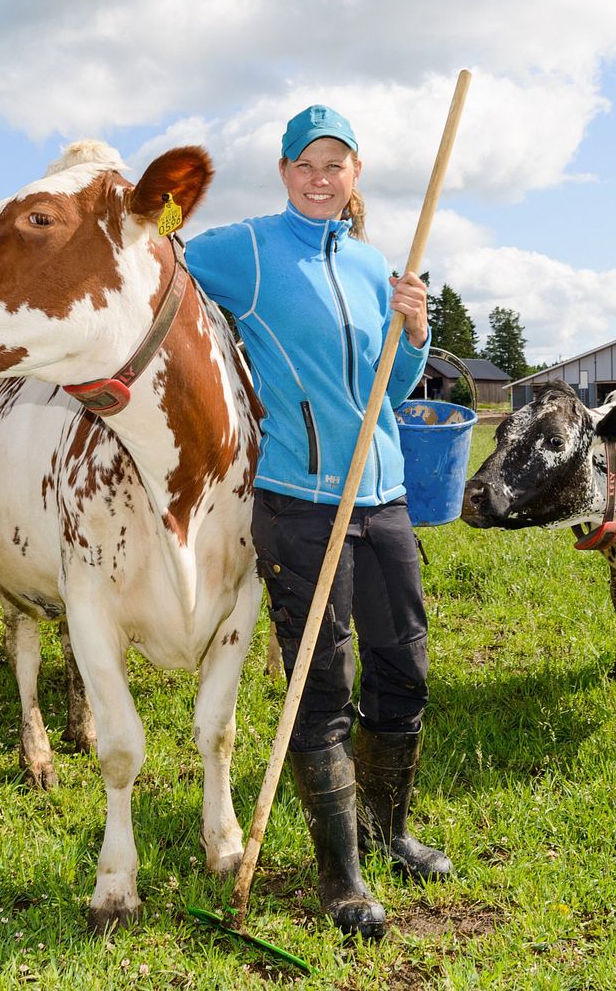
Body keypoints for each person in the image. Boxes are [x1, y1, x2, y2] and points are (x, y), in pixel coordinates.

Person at [185, 105, 449, 940]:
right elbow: (165, 269)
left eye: (336, 164)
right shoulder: (252, 251)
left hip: (385, 494)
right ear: (285, 170)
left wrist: (413, 330)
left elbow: (394, 384)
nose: (321, 177)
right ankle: (342, 878)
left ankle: (390, 832)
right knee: (320, 685)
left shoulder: (375, 265)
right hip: (299, 501)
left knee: (403, 668)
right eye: (307, 164)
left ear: (355, 175)